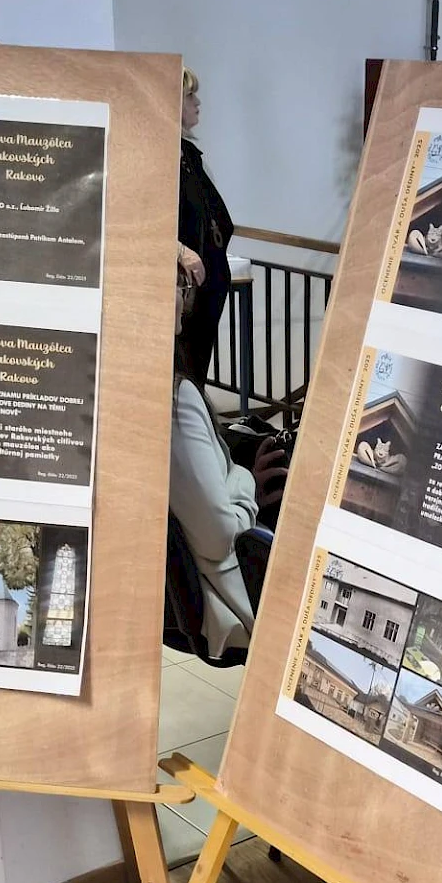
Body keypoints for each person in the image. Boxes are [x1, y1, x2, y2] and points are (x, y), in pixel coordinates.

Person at [168, 253, 288, 658]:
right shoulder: (176, 399)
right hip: (231, 603)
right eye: (179, 284)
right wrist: (244, 479)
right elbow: (219, 537)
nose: (185, 298)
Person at [177, 67, 235, 386]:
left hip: (205, 289)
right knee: (183, 374)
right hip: (184, 292)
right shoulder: (163, 155)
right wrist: (179, 251)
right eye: (190, 96)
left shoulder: (189, 154)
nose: (197, 102)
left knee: (195, 373)